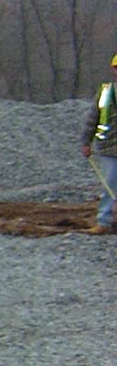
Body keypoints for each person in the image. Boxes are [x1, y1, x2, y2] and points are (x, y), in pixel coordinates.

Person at [82, 53, 117, 233]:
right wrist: (86, 142)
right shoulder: (106, 93)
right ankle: (103, 222)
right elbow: (93, 118)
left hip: (108, 148)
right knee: (109, 185)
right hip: (109, 148)